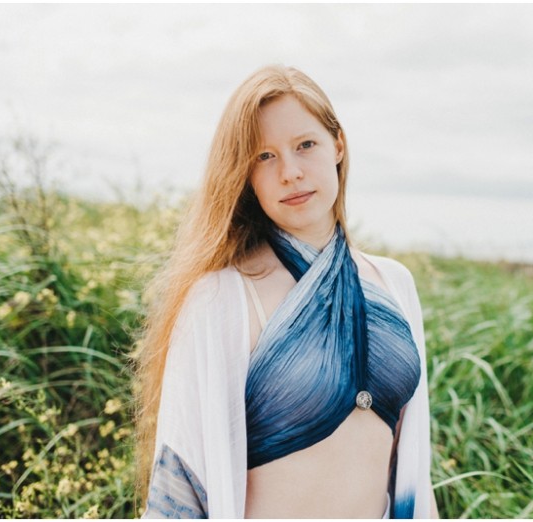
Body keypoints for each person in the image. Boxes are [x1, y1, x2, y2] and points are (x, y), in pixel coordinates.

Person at [133, 64, 438, 519]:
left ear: (338, 145)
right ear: (245, 175)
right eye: (264, 156)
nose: (290, 172)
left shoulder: (394, 283)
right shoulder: (221, 299)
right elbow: (182, 480)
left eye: (305, 145)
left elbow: (413, 466)